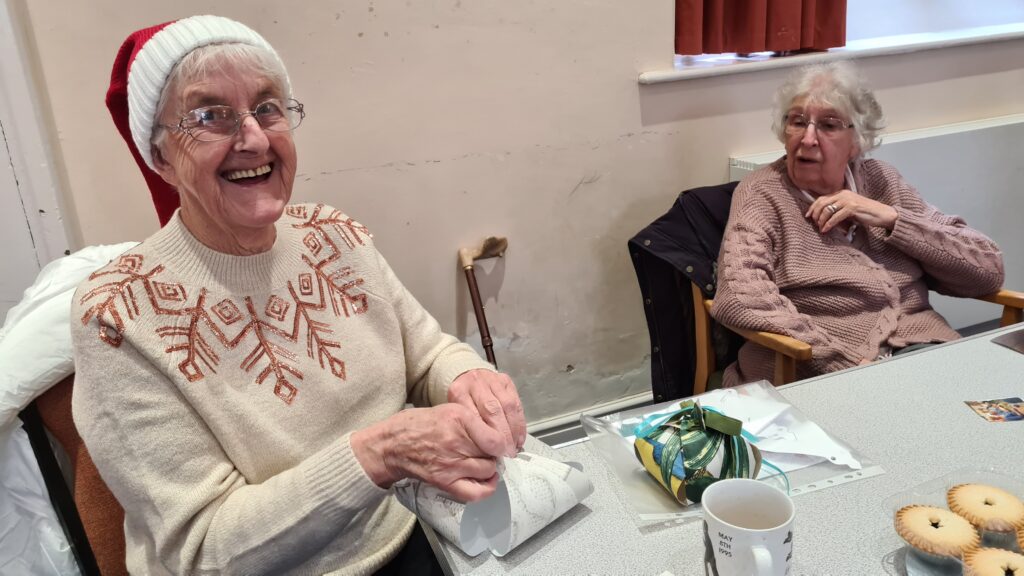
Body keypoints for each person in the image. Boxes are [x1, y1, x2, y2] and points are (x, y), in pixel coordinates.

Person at [71, 15, 525, 575]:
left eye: (267, 108)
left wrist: (467, 379)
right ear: (160, 156)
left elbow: (426, 353)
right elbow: (203, 553)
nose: (255, 138)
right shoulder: (115, 315)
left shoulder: (333, 235)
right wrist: (379, 455)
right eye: (210, 115)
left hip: (419, 532)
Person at [711, 61, 1005, 387]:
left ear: (857, 141)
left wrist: (893, 219)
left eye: (829, 125)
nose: (808, 138)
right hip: (814, 370)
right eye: (797, 122)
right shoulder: (761, 193)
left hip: (924, 352)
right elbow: (741, 296)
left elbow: (987, 270)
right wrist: (842, 361)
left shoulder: (882, 181)